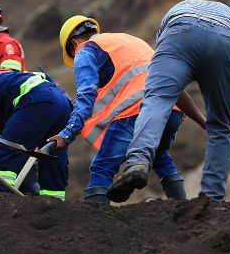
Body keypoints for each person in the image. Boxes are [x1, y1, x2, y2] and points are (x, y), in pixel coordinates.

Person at [108, 0, 230, 203]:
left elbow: (171, 91)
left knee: (156, 101)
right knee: (220, 126)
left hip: (178, 29)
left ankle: (138, 162)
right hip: (223, 39)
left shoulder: (176, 13)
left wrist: (201, 120)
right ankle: (211, 199)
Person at [47, 16, 206, 204]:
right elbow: (172, 82)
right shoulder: (129, 41)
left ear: (74, 43)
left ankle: (95, 227)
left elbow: (86, 96)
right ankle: (183, 209)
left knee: (102, 167)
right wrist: (205, 122)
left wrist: (67, 134)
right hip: (172, 110)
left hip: (136, 112)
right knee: (159, 156)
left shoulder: (85, 51)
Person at [0, 69, 71, 198]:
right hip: (61, 100)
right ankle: (54, 208)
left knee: (0, 166)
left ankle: (1, 210)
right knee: (52, 164)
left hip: (37, 101)